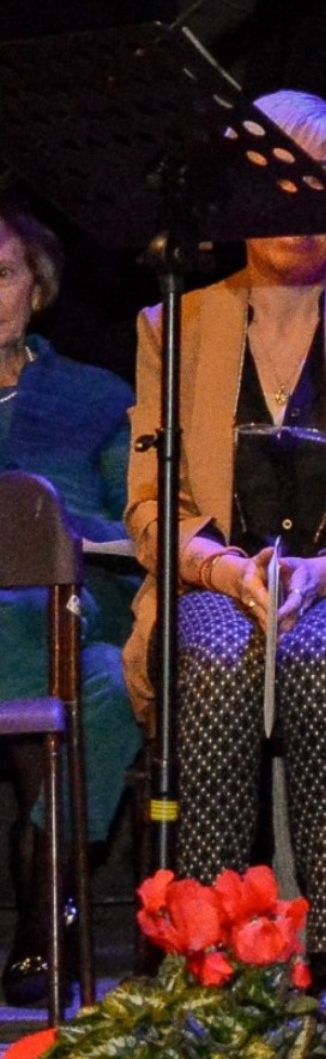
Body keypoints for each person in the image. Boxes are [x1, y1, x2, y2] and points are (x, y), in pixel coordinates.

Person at [123, 89, 326, 1045]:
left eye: (324, 186)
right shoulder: (172, 326)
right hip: (218, 580)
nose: (300, 209)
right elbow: (152, 506)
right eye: (276, 184)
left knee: (320, 660)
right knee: (217, 661)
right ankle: (210, 965)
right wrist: (225, 570)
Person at [0, 202, 144, 1004]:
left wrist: (67, 536)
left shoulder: (96, 396)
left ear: (38, 285)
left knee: (111, 685)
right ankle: (46, 916)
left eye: (2, 273)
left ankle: (41, 901)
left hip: (84, 609)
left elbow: (140, 521)